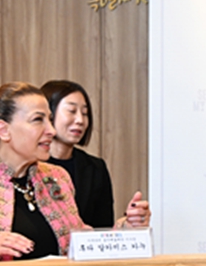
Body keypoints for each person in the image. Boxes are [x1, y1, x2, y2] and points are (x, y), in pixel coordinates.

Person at [0, 82, 150, 266]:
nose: (51, 130)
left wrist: (127, 229)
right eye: (38, 120)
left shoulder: (57, 177)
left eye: (50, 119)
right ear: (4, 130)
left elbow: (80, 243)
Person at [41, 80, 140, 228]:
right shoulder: (29, 165)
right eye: (72, 111)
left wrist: (125, 225)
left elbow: (102, 228)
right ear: (48, 114)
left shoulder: (95, 168)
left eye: (85, 113)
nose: (80, 120)